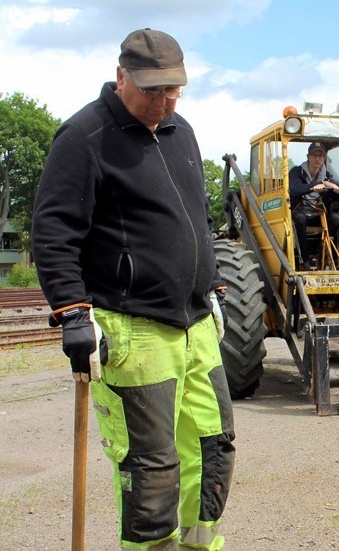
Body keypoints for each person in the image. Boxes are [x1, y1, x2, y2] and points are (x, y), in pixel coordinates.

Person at [31, 28, 235, 551]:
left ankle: (198, 546)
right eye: (152, 91)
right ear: (122, 76)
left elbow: (193, 217)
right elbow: (54, 233)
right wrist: (74, 312)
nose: (163, 103)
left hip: (196, 327)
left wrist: (208, 279)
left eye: (174, 92)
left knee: (214, 447)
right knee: (152, 469)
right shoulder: (83, 137)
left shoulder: (181, 131)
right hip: (133, 331)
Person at [288, 142, 339, 269]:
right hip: (300, 212)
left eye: (321, 156)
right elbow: (295, 189)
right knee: (299, 218)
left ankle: (319, 255)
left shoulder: (327, 176)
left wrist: (335, 189)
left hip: (318, 215)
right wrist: (315, 186)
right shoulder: (296, 172)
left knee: (336, 219)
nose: (317, 159)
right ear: (308, 157)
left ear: (324, 159)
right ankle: (304, 260)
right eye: (315, 155)